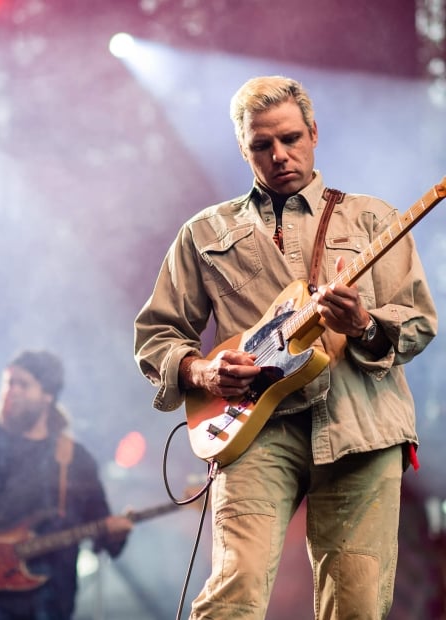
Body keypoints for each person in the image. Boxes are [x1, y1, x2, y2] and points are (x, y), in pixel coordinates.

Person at [134, 75, 438, 619]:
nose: (279, 155)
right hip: (253, 432)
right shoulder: (203, 233)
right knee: (233, 594)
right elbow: (157, 334)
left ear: (314, 133)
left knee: (358, 605)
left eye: (291, 138)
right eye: (261, 145)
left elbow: (418, 322)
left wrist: (365, 323)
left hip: (362, 426)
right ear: (243, 147)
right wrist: (202, 372)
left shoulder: (373, 218)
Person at [0, 349, 132, 620]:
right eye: (9, 382)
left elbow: (101, 528)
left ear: (48, 396)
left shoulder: (75, 459)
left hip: (51, 602)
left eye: (24, 384)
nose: (12, 391)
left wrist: (117, 534)